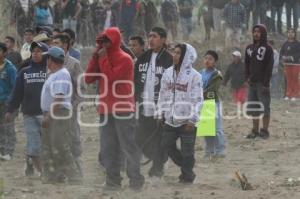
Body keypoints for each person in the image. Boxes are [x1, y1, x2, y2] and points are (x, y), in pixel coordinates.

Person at [85, 27, 145, 190]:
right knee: (108, 147)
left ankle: (135, 180)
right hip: (105, 108)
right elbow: (89, 78)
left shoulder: (125, 58)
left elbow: (111, 77)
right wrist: (94, 57)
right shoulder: (102, 56)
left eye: (106, 41)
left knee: (128, 146)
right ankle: (113, 181)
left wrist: (102, 59)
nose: (104, 45)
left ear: (115, 41)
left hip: (123, 108)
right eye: (101, 42)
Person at [158, 43, 203, 184]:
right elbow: (162, 94)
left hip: (187, 121)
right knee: (166, 145)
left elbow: (198, 99)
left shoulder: (195, 76)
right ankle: (187, 168)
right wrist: (160, 113)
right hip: (170, 119)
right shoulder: (167, 73)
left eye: (178, 53)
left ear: (186, 56)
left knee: (188, 152)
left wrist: (193, 119)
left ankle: (186, 177)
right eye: (174, 52)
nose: (174, 55)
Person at [134, 27, 173, 182]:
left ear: (163, 39)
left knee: (159, 140)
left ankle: (157, 171)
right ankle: (161, 160)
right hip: (144, 106)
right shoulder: (142, 58)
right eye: (149, 36)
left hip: (162, 108)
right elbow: (135, 82)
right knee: (140, 139)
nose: (151, 39)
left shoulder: (169, 59)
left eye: (154, 36)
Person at [5, 42, 48, 176]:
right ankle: (43, 173)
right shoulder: (24, 72)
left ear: (45, 54)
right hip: (29, 114)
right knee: (34, 144)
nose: (35, 53)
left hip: (47, 115)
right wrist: (10, 109)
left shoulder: (50, 71)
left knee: (45, 145)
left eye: (39, 51)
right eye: (33, 51)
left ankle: (30, 163)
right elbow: (17, 92)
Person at [41, 46, 81, 184]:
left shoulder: (62, 74)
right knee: (50, 145)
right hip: (53, 113)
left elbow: (58, 99)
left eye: (48, 58)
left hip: (59, 113)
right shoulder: (54, 73)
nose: (47, 61)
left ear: (52, 60)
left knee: (60, 144)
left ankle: (74, 175)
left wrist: (48, 116)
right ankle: (54, 175)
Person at [52, 34, 85, 177]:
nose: (54, 45)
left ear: (65, 44)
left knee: (73, 139)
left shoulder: (73, 63)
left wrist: (75, 105)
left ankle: (77, 171)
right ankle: (60, 172)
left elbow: (81, 88)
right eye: (53, 42)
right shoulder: (50, 63)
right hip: (54, 109)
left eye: (57, 42)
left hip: (70, 109)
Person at [245, 24, 274, 139]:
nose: (256, 33)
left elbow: (269, 67)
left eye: (258, 32)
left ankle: (265, 130)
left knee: (265, 107)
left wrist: (266, 83)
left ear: (263, 33)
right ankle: (255, 130)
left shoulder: (268, 48)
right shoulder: (249, 48)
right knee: (253, 107)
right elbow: (246, 64)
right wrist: (247, 77)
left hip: (263, 83)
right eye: (254, 31)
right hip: (252, 83)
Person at [200, 50, 226, 158]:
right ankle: (209, 151)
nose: (207, 61)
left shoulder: (217, 74)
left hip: (213, 102)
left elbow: (211, 89)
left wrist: (198, 94)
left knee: (217, 129)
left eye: (210, 59)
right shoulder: (200, 73)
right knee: (206, 129)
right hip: (203, 103)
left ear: (214, 62)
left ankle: (220, 151)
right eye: (206, 58)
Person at [0, 43, 17, 161]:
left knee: (8, 127)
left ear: (5, 53)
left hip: (7, 103)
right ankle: (2, 150)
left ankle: (9, 151)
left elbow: (15, 87)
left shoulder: (10, 68)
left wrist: (10, 103)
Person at [280, 28, 300, 101]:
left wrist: (292, 57)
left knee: (295, 79)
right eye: (289, 32)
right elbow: (281, 52)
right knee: (288, 79)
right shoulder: (285, 44)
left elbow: (299, 53)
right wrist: (282, 57)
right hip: (287, 64)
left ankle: (296, 95)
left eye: (292, 32)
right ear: (287, 34)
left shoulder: (298, 43)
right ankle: (288, 94)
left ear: (295, 34)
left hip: (295, 64)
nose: (290, 34)